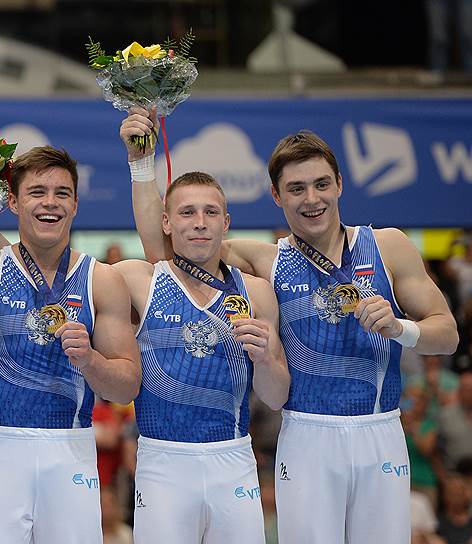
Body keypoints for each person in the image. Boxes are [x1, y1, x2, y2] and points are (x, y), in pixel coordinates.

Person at [122, 107, 459, 543]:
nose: (311, 199)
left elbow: (447, 335)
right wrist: (142, 162)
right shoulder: (268, 260)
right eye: (296, 189)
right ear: (277, 197)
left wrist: (400, 328)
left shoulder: (388, 246)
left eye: (321, 184)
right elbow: (169, 250)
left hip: (381, 433)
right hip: (306, 436)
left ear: (340, 184)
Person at [0, 145, 141, 542]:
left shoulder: (102, 280)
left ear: (76, 204)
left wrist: (90, 360)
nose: (50, 202)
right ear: (13, 203)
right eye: (37, 192)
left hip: (71, 448)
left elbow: (127, 387)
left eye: (61, 193)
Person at [112, 168, 290, 543]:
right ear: (166, 222)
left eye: (211, 212)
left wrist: (264, 359)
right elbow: (59, 272)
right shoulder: (138, 281)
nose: (200, 223)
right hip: (163, 463)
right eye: (187, 212)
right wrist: (140, 165)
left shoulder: (256, 293)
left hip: (233, 461)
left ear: (226, 222)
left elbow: (276, 397)